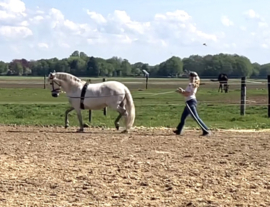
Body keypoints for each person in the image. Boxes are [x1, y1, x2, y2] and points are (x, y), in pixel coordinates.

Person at [173, 71, 211, 136]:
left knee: (196, 117)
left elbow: (188, 94)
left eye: (191, 76)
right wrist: (181, 91)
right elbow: (186, 93)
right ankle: (179, 130)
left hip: (191, 102)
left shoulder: (192, 84)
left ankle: (206, 130)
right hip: (189, 102)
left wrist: (181, 92)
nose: (190, 77)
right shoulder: (191, 84)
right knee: (183, 117)